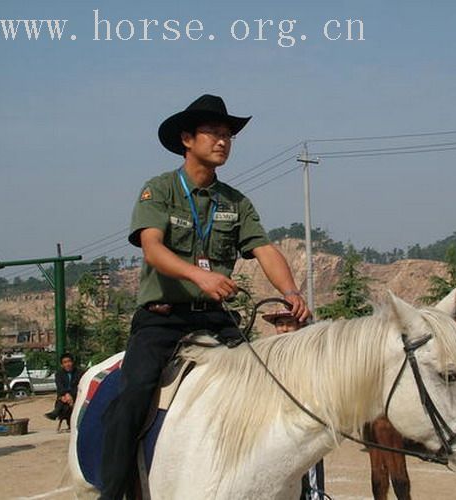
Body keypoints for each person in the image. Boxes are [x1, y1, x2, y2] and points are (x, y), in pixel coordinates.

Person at [100, 94, 311, 499]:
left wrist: (290, 292)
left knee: (274, 386)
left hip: (216, 319)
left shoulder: (236, 201)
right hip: (162, 319)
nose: (223, 141)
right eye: (213, 133)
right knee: (134, 396)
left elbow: (264, 250)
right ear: (186, 139)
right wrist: (202, 276)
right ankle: (112, 492)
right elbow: (152, 249)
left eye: (228, 135)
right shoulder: (159, 190)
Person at [262, 310, 325, 500]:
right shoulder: (267, 355)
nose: (284, 329)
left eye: (289, 324)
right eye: (280, 324)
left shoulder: (311, 355)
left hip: (305, 426)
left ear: (300, 326)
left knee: (310, 475)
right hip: (274, 426)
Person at [44, 352, 81, 422]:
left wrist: (71, 395)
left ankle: (55, 413)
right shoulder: (59, 374)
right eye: (65, 362)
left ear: (72, 362)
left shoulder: (79, 373)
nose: (67, 364)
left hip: (76, 396)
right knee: (63, 402)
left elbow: (79, 386)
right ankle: (67, 419)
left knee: (64, 405)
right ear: (62, 364)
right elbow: (60, 387)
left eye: (69, 361)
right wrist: (66, 395)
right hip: (63, 397)